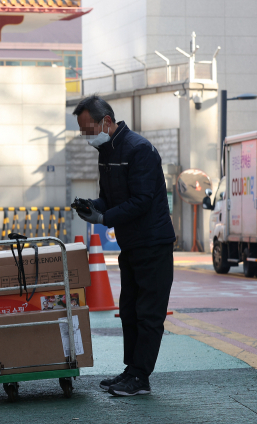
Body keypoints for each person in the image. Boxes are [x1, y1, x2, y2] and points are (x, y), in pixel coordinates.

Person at [72, 95, 175, 397]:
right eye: (82, 131)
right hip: (131, 245)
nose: (86, 137)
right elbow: (110, 197)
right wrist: (92, 206)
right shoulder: (107, 151)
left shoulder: (139, 149)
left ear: (106, 121)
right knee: (129, 311)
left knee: (148, 313)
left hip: (153, 243)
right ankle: (132, 370)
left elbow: (142, 201)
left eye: (88, 129)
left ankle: (141, 377)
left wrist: (104, 217)